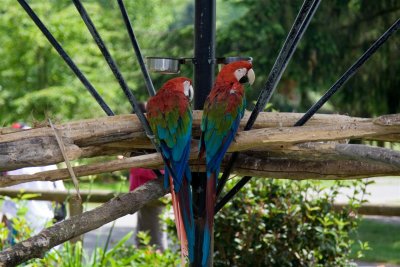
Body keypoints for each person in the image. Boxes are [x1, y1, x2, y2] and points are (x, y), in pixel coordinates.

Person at [1, 123, 66, 244]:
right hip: (38, 218)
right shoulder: (48, 157)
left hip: (20, 220)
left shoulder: (8, 162)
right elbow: (60, 193)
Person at [129, 168, 167, 250]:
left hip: (152, 194)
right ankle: (144, 254)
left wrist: (133, 165)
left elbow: (159, 171)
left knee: (154, 234)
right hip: (143, 193)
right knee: (144, 229)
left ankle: (157, 257)